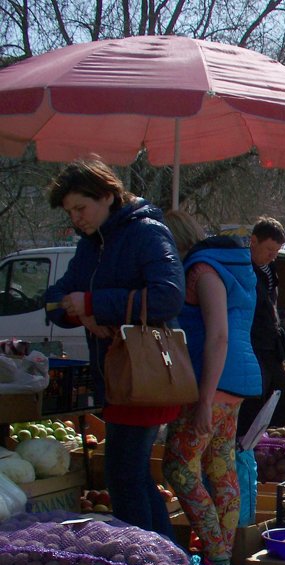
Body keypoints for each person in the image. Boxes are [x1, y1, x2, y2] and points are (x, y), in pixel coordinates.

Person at [45, 158, 184, 537]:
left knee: (123, 478)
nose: (76, 219)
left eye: (80, 208)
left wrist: (93, 304)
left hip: (145, 376)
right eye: (70, 211)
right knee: (132, 476)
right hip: (118, 379)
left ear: (107, 196)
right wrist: (80, 313)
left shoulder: (147, 232)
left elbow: (168, 297)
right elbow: (55, 298)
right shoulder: (91, 246)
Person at [162, 211, 262, 565]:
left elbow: (218, 335)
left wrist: (203, 399)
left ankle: (218, 558)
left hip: (213, 381)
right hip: (235, 382)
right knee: (221, 468)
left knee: (178, 466)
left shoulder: (202, 270)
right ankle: (222, 560)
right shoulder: (235, 265)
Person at [236, 216, 285, 441]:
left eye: (277, 251)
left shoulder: (271, 268)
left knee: (282, 389)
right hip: (251, 344)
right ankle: (249, 444)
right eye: (269, 249)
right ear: (253, 241)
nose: (273, 255)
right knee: (255, 394)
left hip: (271, 344)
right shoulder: (242, 268)